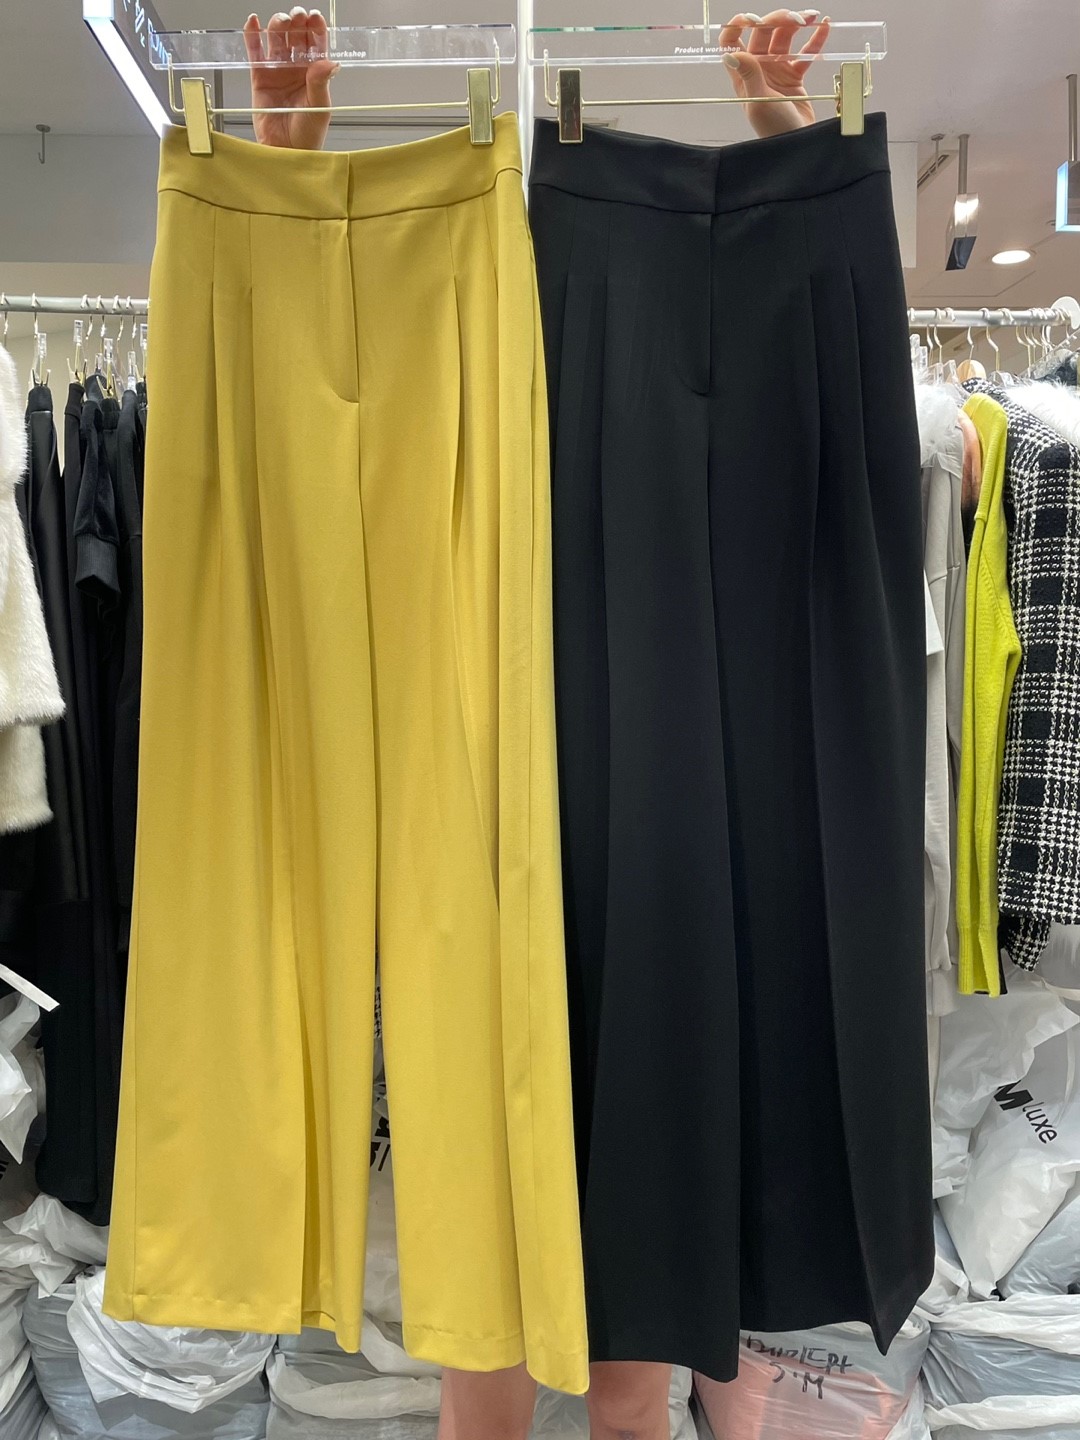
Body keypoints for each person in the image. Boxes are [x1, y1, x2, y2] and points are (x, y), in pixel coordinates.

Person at [241, 9, 831, 1439]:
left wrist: (786, 140)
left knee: (630, 1368)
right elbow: (324, 417)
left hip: (643, 842)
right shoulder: (455, 293)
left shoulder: (630, 305)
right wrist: (289, 162)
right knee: (488, 1334)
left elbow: (780, 359)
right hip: (485, 844)